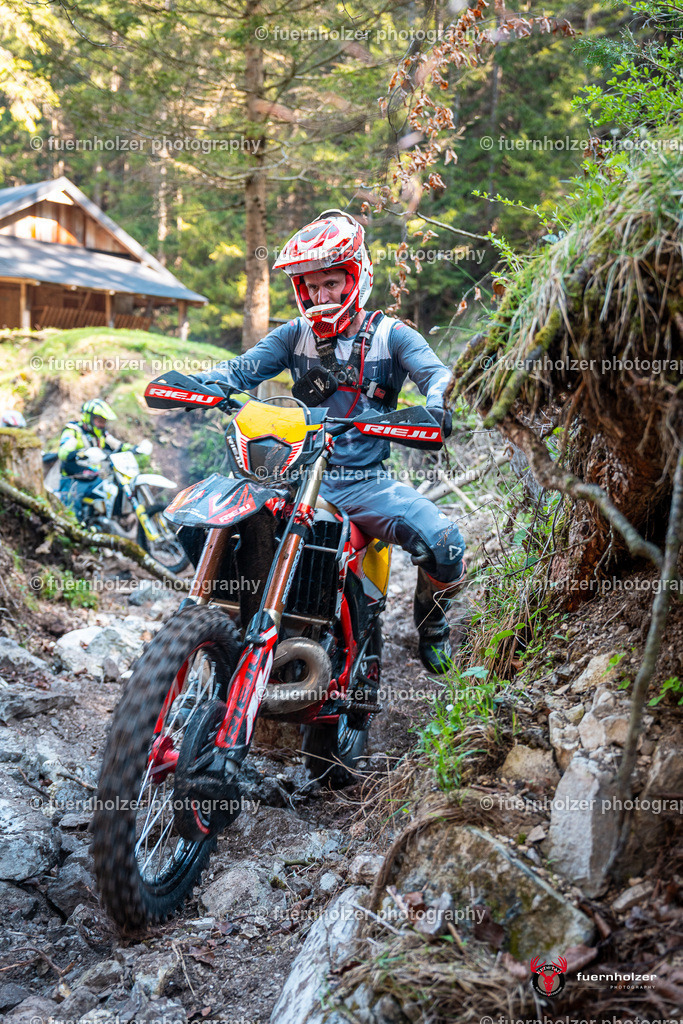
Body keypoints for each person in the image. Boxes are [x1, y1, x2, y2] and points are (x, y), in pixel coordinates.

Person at [192, 210, 466, 674]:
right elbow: (240, 369)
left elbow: (437, 373)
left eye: (331, 284)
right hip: (290, 476)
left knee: (446, 543)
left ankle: (433, 628)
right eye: (310, 287)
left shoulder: (391, 335)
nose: (321, 296)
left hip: (362, 484)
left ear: (355, 276)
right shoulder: (292, 336)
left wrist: (439, 399)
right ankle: (223, 640)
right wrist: (203, 382)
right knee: (217, 522)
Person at [57, 398, 123, 520]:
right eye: (99, 421)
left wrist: (136, 448)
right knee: (72, 516)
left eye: (104, 421)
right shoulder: (73, 431)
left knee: (113, 496)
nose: (102, 424)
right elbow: (63, 452)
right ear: (89, 418)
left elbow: (117, 445)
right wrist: (83, 453)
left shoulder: (101, 433)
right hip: (73, 480)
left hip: (94, 479)